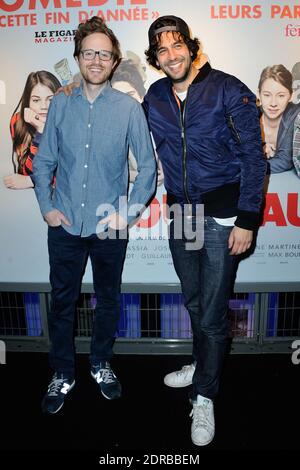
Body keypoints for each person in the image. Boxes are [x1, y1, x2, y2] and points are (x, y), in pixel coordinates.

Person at [143, 15, 266, 446]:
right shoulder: (155, 96)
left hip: (223, 217)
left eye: (178, 46)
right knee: (196, 301)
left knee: (213, 314)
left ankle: (205, 395)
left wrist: (248, 218)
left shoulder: (228, 89)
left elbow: (255, 156)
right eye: (162, 49)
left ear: (191, 48)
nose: (171, 55)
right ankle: (202, 363)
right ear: (155, 57)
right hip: (185, 216)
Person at [33, 16, 156, 414]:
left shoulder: (128, 109)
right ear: (79, 57)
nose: (97, 60)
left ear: (114, 59)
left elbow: (149, 170)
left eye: (104, 53)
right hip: (65, 223)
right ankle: (63, 371)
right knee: (63, 302)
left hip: (108, 227)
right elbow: (43, 162)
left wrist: (127, 214)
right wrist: (48, 208)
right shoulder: (61, 103)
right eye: (90, 53)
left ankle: (101, 363)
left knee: (108, 300)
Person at [3, 71, 61, 190]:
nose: (44, 106)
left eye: (50, 99)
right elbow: (26, 171)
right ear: (27, 102)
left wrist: (31, 180)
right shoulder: (18, 122)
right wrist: (40, 132)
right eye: (36, 100)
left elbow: (73, 174)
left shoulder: (70, 122)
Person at [258, 64, 300, 174]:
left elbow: (285, 161)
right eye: (267, 95)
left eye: (281, 96)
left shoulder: (295, 116)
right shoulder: (247, 116)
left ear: (291, 96)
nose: (273, 103)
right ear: (259, 94)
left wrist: (252, 167)